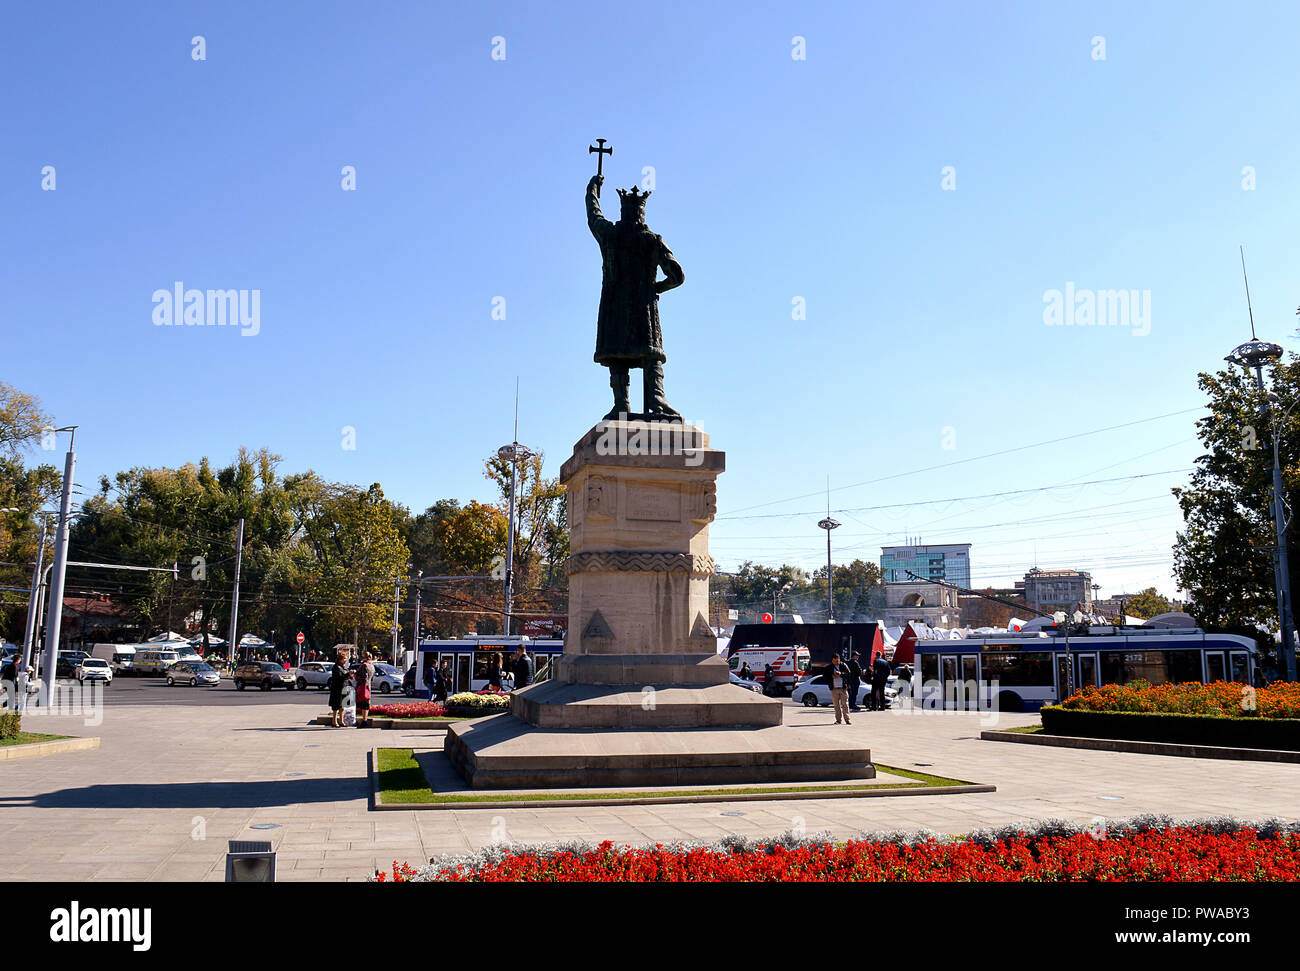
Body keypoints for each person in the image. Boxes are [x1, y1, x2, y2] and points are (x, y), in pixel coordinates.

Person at [820, 653, 852, 725]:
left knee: (845, 705)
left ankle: (847, 719)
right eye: (835, 661)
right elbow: (825, 676)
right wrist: (832, 676)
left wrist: (841, 674)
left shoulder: (843, 665)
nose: (837, 662)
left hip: (843, 688)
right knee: (836, 705)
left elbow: (849, 674)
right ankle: (838, 720)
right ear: (832, 660)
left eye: (838, 660)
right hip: (834, 688)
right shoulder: (829, 667)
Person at [327, 651, 348, 728]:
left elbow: (345, 677)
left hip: (343, 688)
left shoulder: (343, 667)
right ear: (340, 659)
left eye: (346, 659)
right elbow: (339, 678)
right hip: (337, 689)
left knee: (342, 706)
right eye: (344, 659)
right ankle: (334, 721)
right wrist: (348, 674)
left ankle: (341, 720)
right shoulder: (336, 667)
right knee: (336, 706)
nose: (345, 660)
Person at [355, 651, 374, 727]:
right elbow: (371, 678)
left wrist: (356, 675)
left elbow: (363, 677)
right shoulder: (371, 665)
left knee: (362, 703)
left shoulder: (364, 665)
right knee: (366, 704)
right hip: (368, 686)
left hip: (362, 686)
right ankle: (365, 720)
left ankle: (364, 721)